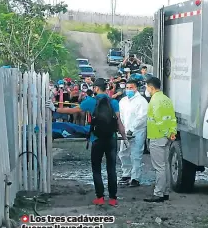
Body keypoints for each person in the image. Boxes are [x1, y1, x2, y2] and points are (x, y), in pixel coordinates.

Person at [46, 78, 128, 206]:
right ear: (106, 88)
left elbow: (73, 111)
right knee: (112, 169)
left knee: (96, 168)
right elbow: (119, 122)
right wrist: (125, 138)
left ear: (95, 88)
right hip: (111, 139)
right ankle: (113, 198)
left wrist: (55, 109)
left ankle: (100, 197)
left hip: (96, 139)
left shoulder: (90, 101)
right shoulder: (113, 102)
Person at [143, 75, 177, 203]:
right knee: (165, 165)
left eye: (147, 87)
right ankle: (165, 191)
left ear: (151, 87)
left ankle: (158, 193)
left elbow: (158, 120)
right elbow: (172, 118)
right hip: (167, 137)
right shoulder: (166, 99)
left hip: (157, 136)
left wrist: (166, 133)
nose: (147, 89)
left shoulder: (154, 100)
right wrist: (172, 133)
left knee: (159, 167)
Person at [118, 80, 149, 187]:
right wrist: (121, 128)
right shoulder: (123, 101)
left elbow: (142, 117)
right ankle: (126, 174)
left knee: (136, 155)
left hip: (137, 132)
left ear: (136, 88)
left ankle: (135, 177)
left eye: (131, 88)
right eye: (127, 88)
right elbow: (121, 116)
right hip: (124, 132)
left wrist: (132, 129)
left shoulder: (141, 102)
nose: (129, 90)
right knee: (123, 153)